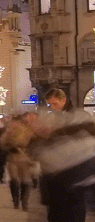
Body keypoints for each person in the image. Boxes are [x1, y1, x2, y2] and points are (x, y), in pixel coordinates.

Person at [32, 88, 95, 222]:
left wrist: (55, 133)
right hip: (56, 176)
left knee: (73, 212)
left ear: (63, 100)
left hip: (76, 174)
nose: (53, 107)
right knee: (56, 213)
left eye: (55, 103)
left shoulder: (79, 116)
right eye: (50, 104)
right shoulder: (51, 118)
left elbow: (87, 142)